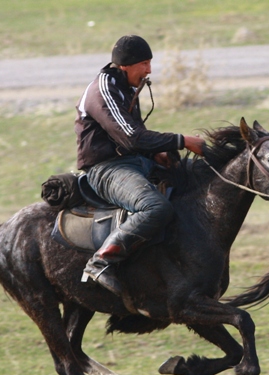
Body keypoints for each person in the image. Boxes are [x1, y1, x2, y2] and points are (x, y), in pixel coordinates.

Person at [75, 35, 205, 295]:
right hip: (107, 170)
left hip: (134, 162)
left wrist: (157, 155)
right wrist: (182, 140)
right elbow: (132, 137)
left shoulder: (127, 86)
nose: (149, 70)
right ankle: (101, 262)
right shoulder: (103, 89)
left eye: (150, 63)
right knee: (155, 207)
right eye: (144, 63)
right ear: (126, 65)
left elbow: (134, 135)